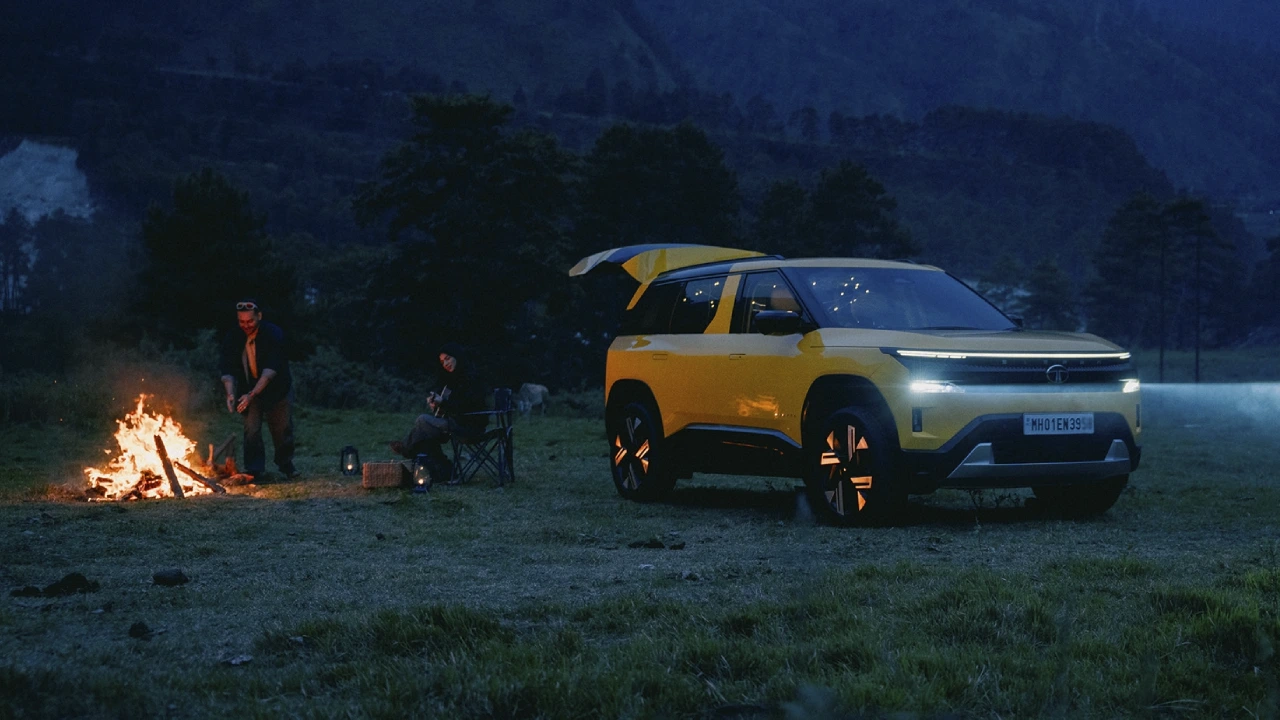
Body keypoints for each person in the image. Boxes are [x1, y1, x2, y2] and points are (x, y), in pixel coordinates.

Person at [219, 298, 297, 480]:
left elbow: (270, 371)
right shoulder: (234, 336)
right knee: (251, 428)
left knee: (282, 429)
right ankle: (254, 470)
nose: (246, 325)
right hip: (248, 390)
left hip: (276, 389)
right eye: (242, 322)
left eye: (250, 321)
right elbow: (227, 367)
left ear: (259, 316)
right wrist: (230, 393)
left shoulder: (273, 334)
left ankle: (286, 465)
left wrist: (252, 395)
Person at [390, 342, 487, 482]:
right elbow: (449, 408)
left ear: (457, 356)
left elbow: (466, 405)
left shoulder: (471, 378)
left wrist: (444, 403)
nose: (445, 363)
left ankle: (406, 448)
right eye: (442, 361)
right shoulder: (451, 381)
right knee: (423, 434)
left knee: (422, 421)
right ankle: (443, 469)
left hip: (468, 425)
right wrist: (436, 405)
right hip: (453, 424)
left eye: (448, 358)